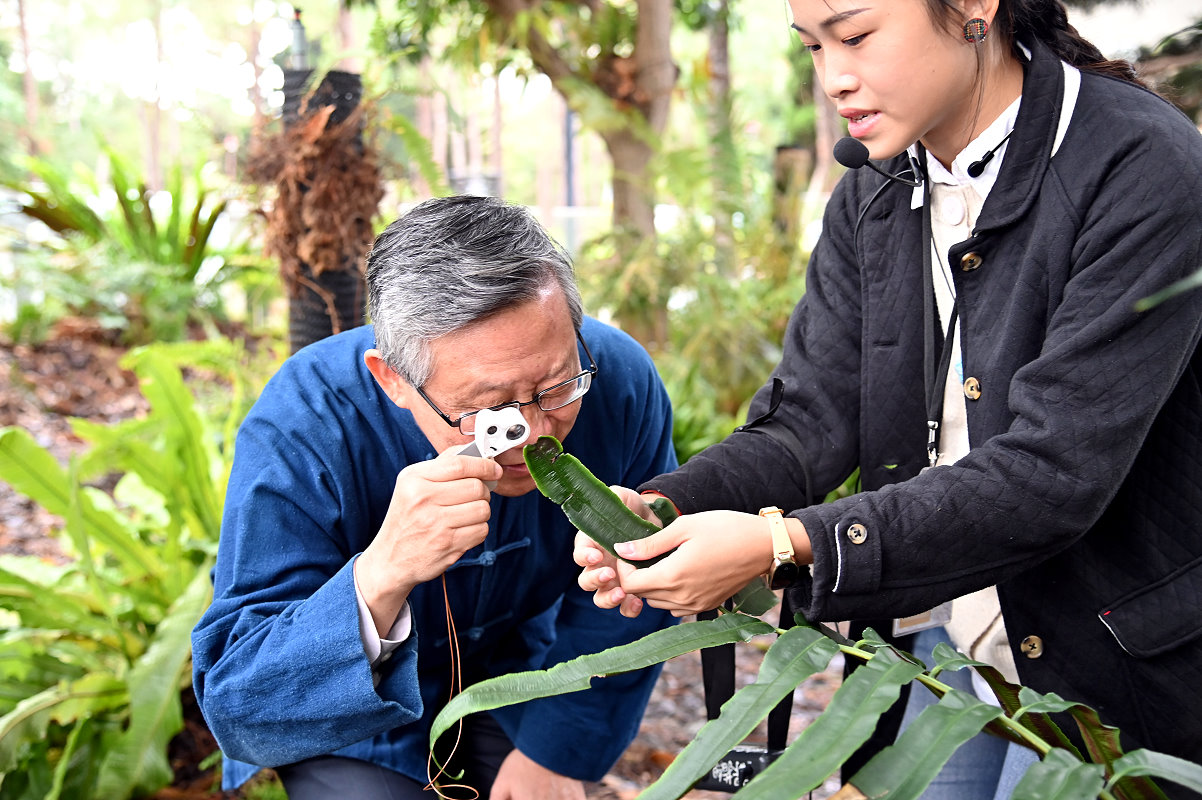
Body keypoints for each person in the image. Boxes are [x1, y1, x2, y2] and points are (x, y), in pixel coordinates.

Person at [574, 1, 1202, 798]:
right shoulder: (874, 189)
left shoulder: (1142, 165)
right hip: (935, 646)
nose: (834, 78)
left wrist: (783, 546)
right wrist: (666, 507)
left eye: (857, 35)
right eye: (811, 47)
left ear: (975, 8)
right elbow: (811, 416)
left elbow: (1054, 472)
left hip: (1114, 673)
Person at [191, 195, 678, 799]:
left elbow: (636, 590)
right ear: (391, 378)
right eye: (487, 410)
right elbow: (240, 701)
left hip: (524, 676)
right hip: (349, 711)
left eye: (555, 387)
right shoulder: (305, 421)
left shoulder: (619, 380)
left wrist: (555, 754)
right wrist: (380, 573)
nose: (534, 434)